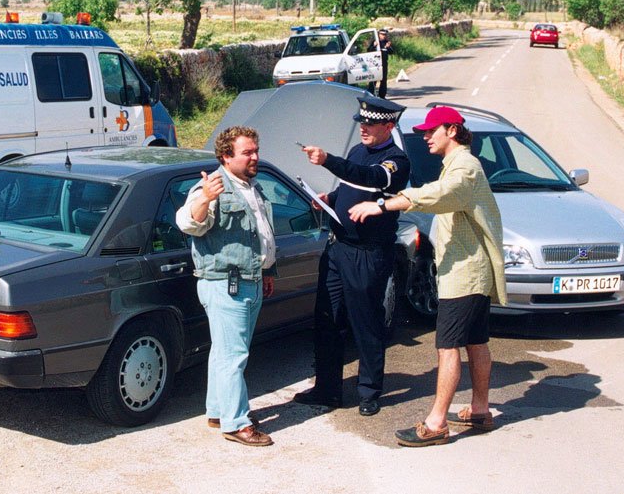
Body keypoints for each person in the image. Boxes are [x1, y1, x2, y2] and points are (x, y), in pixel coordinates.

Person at [349, 106, 506, 447]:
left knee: (447, 347)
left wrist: (384, 204)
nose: (424, 136)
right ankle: (480, 409)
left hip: (464, 274)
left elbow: (437, 195)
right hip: (470, 271)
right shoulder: (459, 165)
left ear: (451, 130)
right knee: (477, 342)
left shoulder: (464, 168)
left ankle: (436, 423)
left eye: (431, 131)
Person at [292, 94, 411, 417]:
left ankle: (369, 391)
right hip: (338, 248)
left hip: (367, 253)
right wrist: (329, 197)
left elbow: (372, 179)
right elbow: (350, 187)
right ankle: (327, 388)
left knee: (366, 322)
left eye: (371, 124)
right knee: (327, 319)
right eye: (361, 123)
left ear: (389, 125)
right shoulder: (359, 151)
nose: (364, 129)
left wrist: (327, 159)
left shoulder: (395, 160)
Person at [175, 126, 277, 448]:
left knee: (224, 352)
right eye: (247, 152)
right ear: (226, 156)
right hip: (225, 285)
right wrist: (205, 197)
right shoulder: (212, 187)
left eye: (255, 150)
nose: (254, 157)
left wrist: (268, 270)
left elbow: (260, 234)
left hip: (251, 280)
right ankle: (237, 423)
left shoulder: (251, 187)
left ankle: (219, 411)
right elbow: (189, 222)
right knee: (234, 356)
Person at [367, 29, 393, 98]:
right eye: (382, 34)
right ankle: (370, 95)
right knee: (373, 80)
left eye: (385, 35)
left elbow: (391, 52)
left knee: (383, 80)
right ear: (379, 34)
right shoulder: (375, 42)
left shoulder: (387, 42)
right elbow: (368, 50)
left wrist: (388, 47)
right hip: (375, 64)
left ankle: (382, 96)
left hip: (384, 64)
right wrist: (374, 45)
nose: (384, 36)